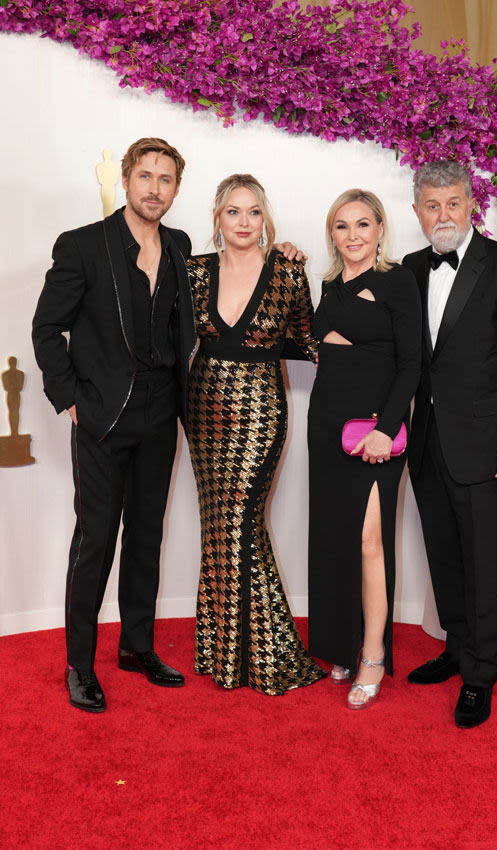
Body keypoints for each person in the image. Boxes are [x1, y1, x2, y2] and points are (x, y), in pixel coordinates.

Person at [32, 138, 196, 712]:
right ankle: (81, 665)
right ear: (126, 180)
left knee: (146, 535)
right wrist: (70, 399)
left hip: (161, 412)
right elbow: (47, 329)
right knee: (95, 539)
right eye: (145, 176)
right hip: (103, 414)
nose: (155, 188)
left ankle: (136, 646)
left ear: (177, 187)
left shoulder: (179, 245)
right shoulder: (82, 246)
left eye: (166, 179)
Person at [403, 160, 497, 728]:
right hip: (427, 443)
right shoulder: (411, 269)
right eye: (432, 206)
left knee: (484, 563)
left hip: (489, 447)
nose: (443, 216)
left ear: (471, 207)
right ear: (417, 213)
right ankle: (457, 649)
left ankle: (481, 675)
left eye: (453, 204)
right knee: (444, 554)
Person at [186, 174, 326, 695]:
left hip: (261, 408)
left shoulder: (287, 271)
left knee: (241, 519)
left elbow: (311, 340)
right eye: (232, 212)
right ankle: (225, 650)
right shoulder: (194, 271)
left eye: (253, 212)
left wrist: (371, 367)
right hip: (202, 408)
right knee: (218, 525)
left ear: (265, 219)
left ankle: (266, 654)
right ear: (218, 219)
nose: (243, 222)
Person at [308, 189, 422, 709]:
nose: (352, 236)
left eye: (362, 225)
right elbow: (318, 346)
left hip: (375, 429)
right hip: (327, 422)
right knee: (336, 537)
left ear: (380, 230)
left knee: (370, 542)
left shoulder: (396, 280)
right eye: (341, 226)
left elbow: (411, 364)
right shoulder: (329, 285)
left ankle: (373, 654)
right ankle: (344, 647)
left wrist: (387, 427)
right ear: (332, 234)